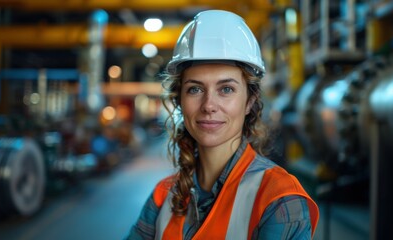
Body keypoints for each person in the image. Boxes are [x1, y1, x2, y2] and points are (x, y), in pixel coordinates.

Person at [127, 9, 319, 239]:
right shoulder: (163, 195)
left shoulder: (280, 199)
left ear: (249, 102)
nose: (209, 105)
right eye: (195, 89)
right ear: (180, 101)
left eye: (226, 89)